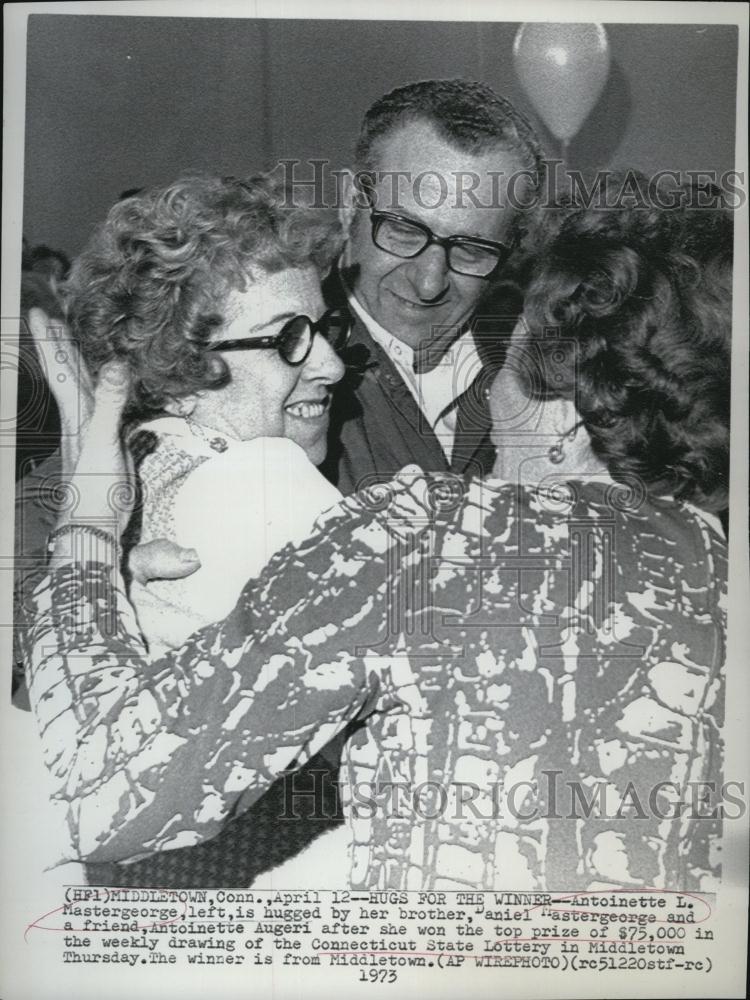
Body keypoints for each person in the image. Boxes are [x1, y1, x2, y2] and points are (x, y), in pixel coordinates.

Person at [22, 196, 730, 891]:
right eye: (290, 337)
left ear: (568, 423)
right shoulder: (715, 563)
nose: (492, 396)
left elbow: (112, 787)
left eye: (505, 369)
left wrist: (88, 541)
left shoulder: (416, 533)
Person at [319, 78, 545, 494]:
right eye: (404, 230)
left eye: (471, 250)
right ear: (351, 202)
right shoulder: (292, 368)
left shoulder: (541, 376)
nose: (428, 283)